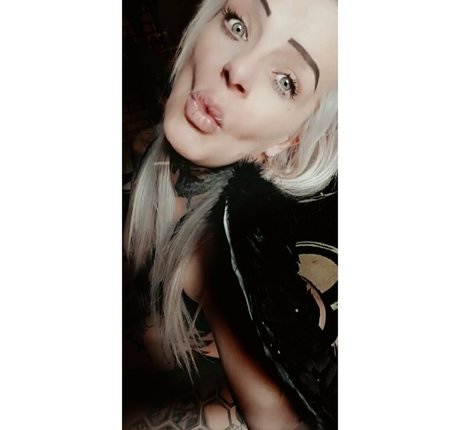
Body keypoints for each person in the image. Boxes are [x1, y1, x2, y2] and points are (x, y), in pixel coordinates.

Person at [124, 0, 338, 429]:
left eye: (285, 82)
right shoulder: (173, 154)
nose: (237, 69)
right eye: (238, 25)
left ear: (291, 139)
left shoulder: (224, 241)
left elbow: (278, 419)